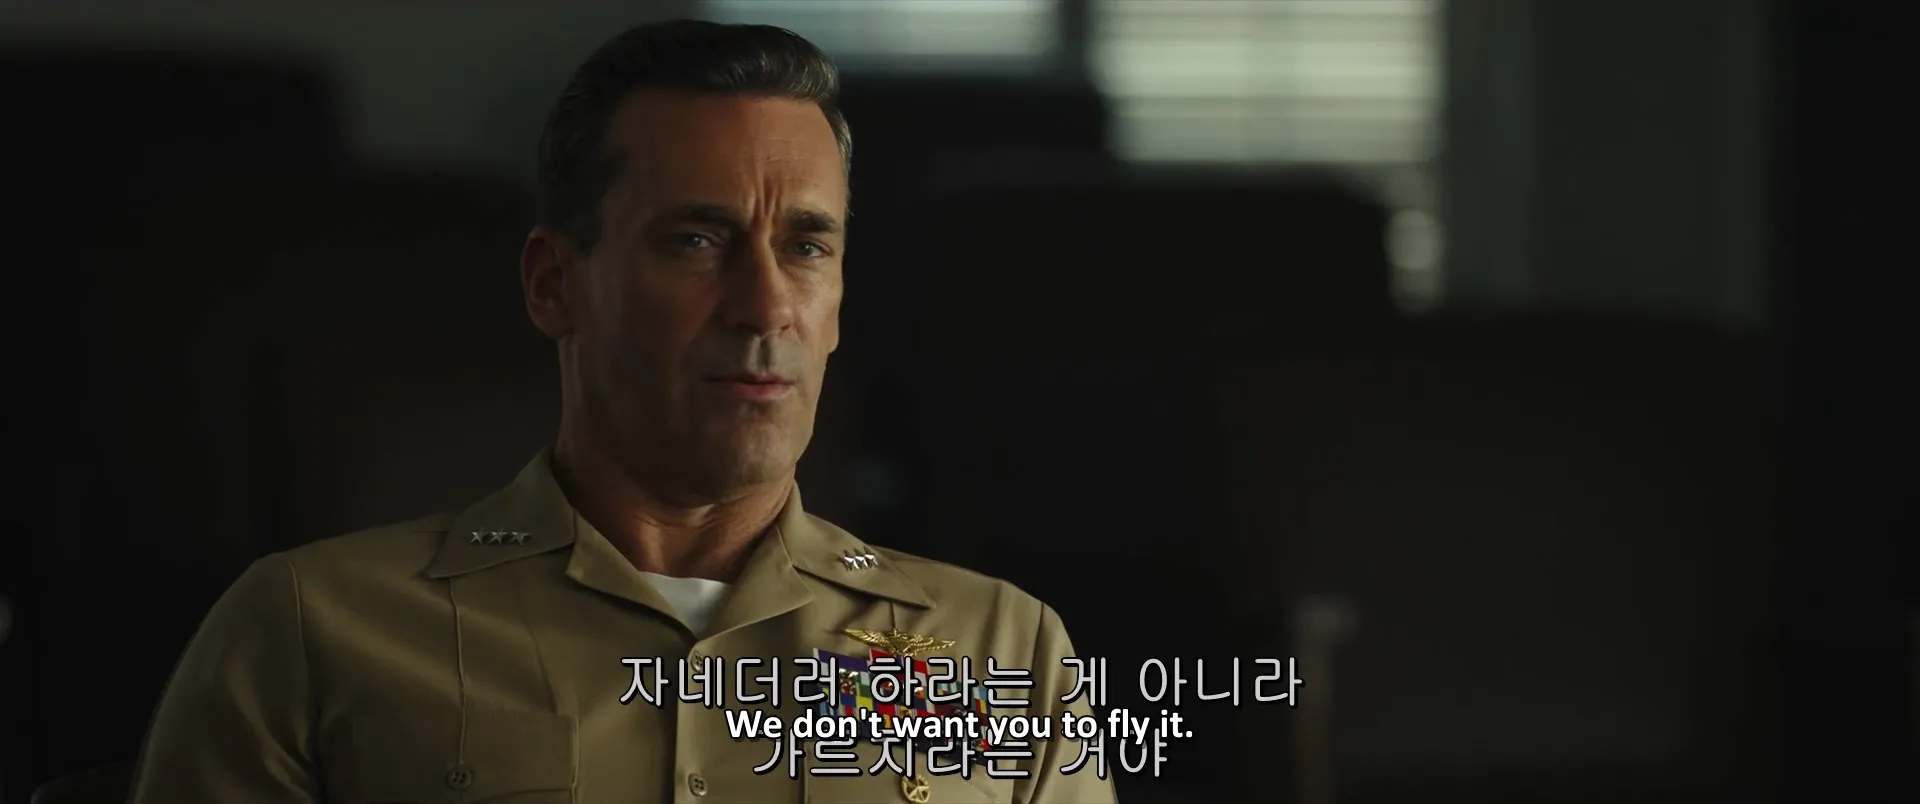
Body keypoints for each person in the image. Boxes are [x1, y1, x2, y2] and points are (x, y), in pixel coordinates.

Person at [128, 19, 1114, 804]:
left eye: (807, 247)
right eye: (696, 240)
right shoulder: (310, 633)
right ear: (553, 283)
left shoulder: (1003, 647)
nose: (766, 305)